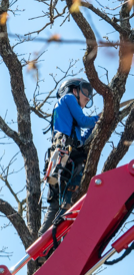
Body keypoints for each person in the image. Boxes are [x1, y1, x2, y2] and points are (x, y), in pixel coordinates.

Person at [38, 77, 100, 238]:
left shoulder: (69, 121)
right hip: (66, 154)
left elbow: (83, 138)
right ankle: (47, 240)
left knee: (58, 204)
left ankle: (45, 242)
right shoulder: (68, 98)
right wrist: (98, 118)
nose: (88, 97)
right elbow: (84, 121)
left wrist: (96, 126)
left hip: (65, 155)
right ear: (74, 90)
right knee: (62, 202)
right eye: (85, 91)